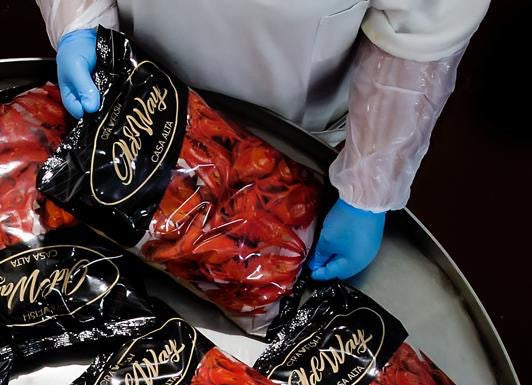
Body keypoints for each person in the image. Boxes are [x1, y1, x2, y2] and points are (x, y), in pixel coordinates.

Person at [35, 0, 489, 280]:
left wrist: (368, 187)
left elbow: (419, 31)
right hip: (134, 110)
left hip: (288, 142)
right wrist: (80, 19)